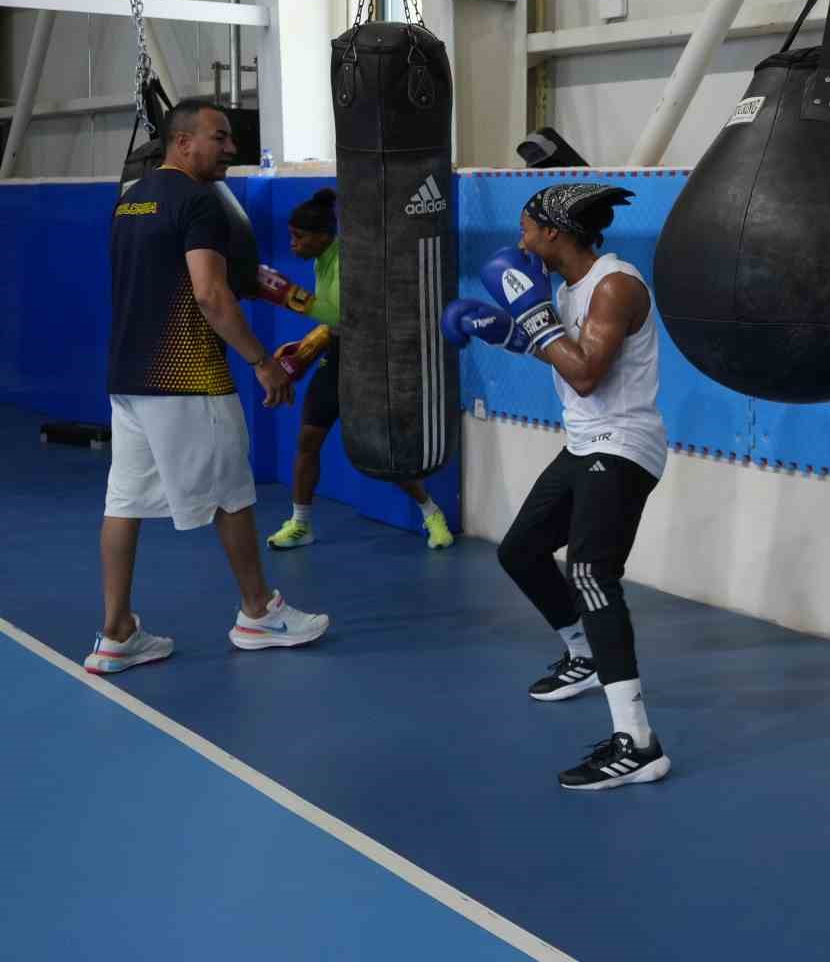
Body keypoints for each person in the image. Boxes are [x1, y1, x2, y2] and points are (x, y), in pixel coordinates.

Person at [441, 182, 670, 791]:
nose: (520, 242)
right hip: (585, 443)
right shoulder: (570, 290)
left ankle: (639, 743)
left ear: (554, 233)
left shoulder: (615, 285)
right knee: (520, 551)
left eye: (526, 230)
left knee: (593, 571)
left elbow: (589, 374)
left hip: (622, 444)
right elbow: (563, 350)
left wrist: (531, 322)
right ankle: (584, 653)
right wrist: (509, 332)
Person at [90, 99, 329, 675]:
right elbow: (209, 293)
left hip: (129, 380)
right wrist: (261, 362)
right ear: (181, 142)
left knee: (123, 503)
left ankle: (117, 632)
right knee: (232, 494)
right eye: (218, 137)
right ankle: (257, 614)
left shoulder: (131, 200)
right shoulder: (198, 202)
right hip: (188, 377)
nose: (230, 148)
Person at [257, 187, 455, 551]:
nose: (293, 244)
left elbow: (341, 314)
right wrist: (308, 348)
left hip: (370, 358)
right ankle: (300, 524)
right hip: (339, 353)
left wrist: (287, 295)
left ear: (322, 235)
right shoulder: (322, 260)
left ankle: (431, 513)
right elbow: (334, 320)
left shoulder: (349, 259)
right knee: (308, 440)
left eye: (299, 237)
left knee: (383, 449)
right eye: (291, 236)